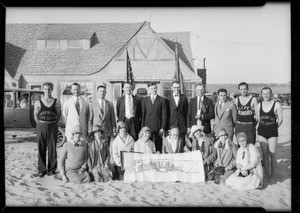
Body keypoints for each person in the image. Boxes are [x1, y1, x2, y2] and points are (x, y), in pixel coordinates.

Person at [256, 87, 283, 184]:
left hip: (272, 133)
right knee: (265, 154)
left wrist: (273, 127)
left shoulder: (277, 105)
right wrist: (264, 126)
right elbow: (259, 119)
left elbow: (280, 120)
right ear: (261, 95)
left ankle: (273, 175)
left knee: (272, 153)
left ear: (271, 94)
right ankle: (267, 174)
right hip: (262, 132)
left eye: (268, 93)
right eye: (264, 93)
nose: (266, 95)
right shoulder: (259, 106)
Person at [34, 82, 61, 177]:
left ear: (52, 89)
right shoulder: (38, 102)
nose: (47, 91)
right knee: (41, 147)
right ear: (43, 89)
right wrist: (42, 124)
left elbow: (59, 115)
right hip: (41, 126)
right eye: (45, 89)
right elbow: (35, 116)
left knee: (52, 148)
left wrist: (53, 123)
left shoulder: (56, 102)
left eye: (49, 89)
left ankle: (52, 170)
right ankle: (42, 169)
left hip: (53, 126)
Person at [141, 81, 167, 153]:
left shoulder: (162, 100)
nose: (154, 90)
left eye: (155, 88)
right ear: (149, 89)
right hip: (147, 128)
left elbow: (164, 115)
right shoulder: (144, 100)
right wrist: (143, 128)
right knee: (148, 148)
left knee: (158, 147)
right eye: (152, 88)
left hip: (158, 128)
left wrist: (162, 128)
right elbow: (143, 115)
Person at [166, 81, 188, 146]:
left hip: (181, 125)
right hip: (171, 125)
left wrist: (187, 126)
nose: (176, 89)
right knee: (172, 145)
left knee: (181, 145)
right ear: (172, 88)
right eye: (175, 87)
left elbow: (186, 113)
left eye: (178, 87)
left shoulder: (184, 98)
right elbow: (166, 114)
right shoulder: (168, 99)